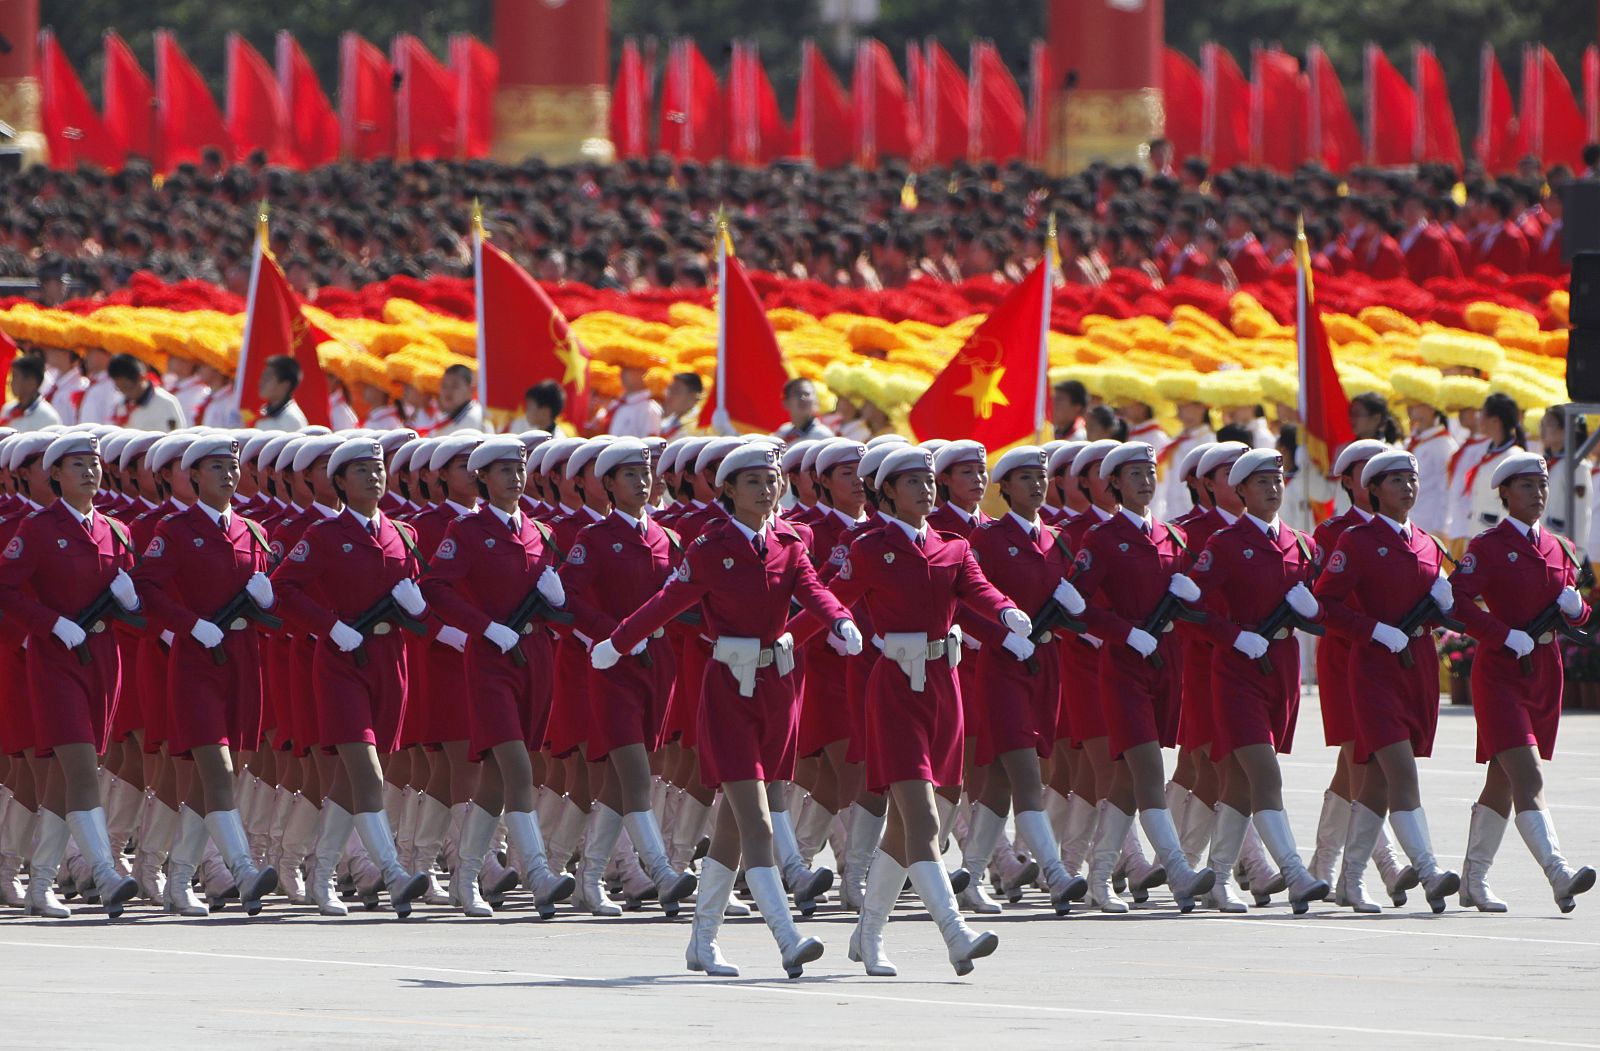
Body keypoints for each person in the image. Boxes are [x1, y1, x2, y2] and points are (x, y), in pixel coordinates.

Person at [595, 441, 861, 977]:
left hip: (776, 688)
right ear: (729, 491)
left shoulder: (790, 541)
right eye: (754, 482)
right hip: (727, 691)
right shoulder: (710, 546)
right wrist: (618, 642)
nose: (767, 490)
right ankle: (787, 938)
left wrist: (838, 620)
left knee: (736, 828)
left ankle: (702, 941)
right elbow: (668, 603)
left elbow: (813, 590)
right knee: (756, 819)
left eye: (772, 480)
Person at [819, 444, 1028, 976]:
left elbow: (977, 590)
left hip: (945, 685)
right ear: (887, 490)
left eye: (928, 482)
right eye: (912, 482)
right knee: (923, 816)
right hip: (893, 687)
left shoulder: (952, 547)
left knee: (913, 823)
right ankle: (954, 934)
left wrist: (1006, 611)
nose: (925, 490)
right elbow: (830, 599)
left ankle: (867, 933)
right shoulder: (869, 546)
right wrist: (788, 639)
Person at [270, 436, 432, 917]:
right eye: (360, 470)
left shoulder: (404, 535)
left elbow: (421, 594)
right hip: (342, 663)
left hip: (390, 660)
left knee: (349, 779)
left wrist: (416, 606)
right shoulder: (323, 535)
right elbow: (283, 589)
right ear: (338, 481)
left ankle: (320, 876)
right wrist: (330, 626)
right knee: (366, 771)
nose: (373, 476)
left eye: (378, 468)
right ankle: (394, 872)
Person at [420, 436, 576, 917]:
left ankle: (465, 879)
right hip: (491, 656)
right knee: (517, 769)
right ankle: (539, 873)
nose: (514, 476)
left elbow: (560, 608)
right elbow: (436, 589)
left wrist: (559, 600)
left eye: (519, 467)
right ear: (481, 478)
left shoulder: (540, 533)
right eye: (503, 469)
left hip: (534, 655)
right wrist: (483, 628)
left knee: (495, 777)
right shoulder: (466, 530)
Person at [130, 434, 278, 916]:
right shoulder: (176, 529)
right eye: (216, 467)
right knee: (218, 768)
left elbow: (271, 605)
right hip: (196, 660)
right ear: (193, 475)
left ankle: (177, 880)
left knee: (216, 778)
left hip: (242, 658)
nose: (228, 475)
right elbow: (147, 586)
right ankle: (244, 870)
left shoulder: (253, 533)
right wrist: (189, 624)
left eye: (232, 466)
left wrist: (265, 599)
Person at [1069, 442, 1216, 913]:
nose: (1145, 482)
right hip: (1124, 668)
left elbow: (1195, 601)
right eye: (1134, 474)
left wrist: (1191, 596)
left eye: (1150, 473)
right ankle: (1178, 872)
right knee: (1150, 774)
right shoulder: (1103, 538)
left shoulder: (1172, 536)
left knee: (1128, 786)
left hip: (1165, 665)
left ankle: (1098, 877)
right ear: (1113, 483)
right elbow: (1076, 604)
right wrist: (1124, 633)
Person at [0, 432, 143, 917]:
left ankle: (40, 882)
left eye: (93, 464)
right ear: (54, 474)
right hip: (55, 660)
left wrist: (131, 601)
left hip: (103, 661)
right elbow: (6, 588)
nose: (88, 472)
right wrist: (50, 623)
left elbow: (138, 604)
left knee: (70, 778)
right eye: (76, 464)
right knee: (81, 769)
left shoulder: (117, 531)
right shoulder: (38, 529)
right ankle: (105, 871)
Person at [1313, 449, 1461, 913]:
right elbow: (1326, 605)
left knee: (1374, 783)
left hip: (1415, 665)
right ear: (1373, 489)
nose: (1408, 487)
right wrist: (1373, 629)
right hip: (1373, 666)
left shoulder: (1426, 543)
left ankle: (1350, 882)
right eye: (1395, 480)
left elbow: (1443, 611)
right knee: (1400, 771)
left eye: (1412, 479)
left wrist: (1446, 604)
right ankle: (1430, 870)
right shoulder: (1357, 540)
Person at [1449, 452, 1596, 913]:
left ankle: (1473, 880)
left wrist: (1578, 610)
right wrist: (1500, 633)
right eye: (1526, 486)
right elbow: (1456, 602)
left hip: (1544, 672)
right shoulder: (1488, 547)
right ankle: (1559, 873)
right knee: (1528, 775)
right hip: (1500, 673)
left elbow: (1581, 613)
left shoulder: (1561, 547)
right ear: (1505, 493)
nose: (1537, 493)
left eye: (1542, 484)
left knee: (1504, 781)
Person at [560, 438, 700, 917]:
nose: (643, 483)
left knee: (622, 787)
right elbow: (568, 600)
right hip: (614, 669)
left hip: (658, 667)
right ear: (608, 486)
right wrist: (615, 635)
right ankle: (661, 873)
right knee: (636, 778)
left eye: (645, 474)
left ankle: (589, 878)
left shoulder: (666, 538)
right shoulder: (593, 540)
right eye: (630, 476)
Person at [1192, 448, 1329, 913]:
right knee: (1265, 775)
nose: (1273, 488)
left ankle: (1218, 877)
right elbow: (1195, 608)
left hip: (1283, 669)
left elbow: (1326, 607)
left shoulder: (1301, 543)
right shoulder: (1226, 545)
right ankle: (1294, 873)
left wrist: (1316, 611)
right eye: (1262, 482)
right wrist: (1233, 637)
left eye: (1278, 480)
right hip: (1237, 672)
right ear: (1241, 491)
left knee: (1240, 785)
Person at [961, 446, 1089, 916]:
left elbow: (1077, 608)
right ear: (1004, 488)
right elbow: (964, 602)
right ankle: (1055, 873)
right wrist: (999, 638)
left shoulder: (1057, 540)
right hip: (1003, 670)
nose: (1037, 485)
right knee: (1026, 776)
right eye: (1025, 478)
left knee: (997, 783)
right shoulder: (989, 541)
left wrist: (1076, 611)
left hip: (1045, 667)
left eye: (1042, 477)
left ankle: (970, 876)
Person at [107, 353, 186, 432]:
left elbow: (176, 438)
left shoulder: (165, 402)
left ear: (141, 378)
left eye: (128, 387)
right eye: (120, 388)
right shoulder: (122, 403)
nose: (125, 392)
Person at [2, 356, 64, 430]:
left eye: (15, 376)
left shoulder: (48, 418)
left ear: (31, 382)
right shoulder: (8, 410)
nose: (10, 381)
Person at [254, 355, 311, 432]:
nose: (261, 382)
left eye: (267, 377)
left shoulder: (292, 419)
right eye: (262, 377)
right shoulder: (264, 410)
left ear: (285, 385)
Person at [431, 363, 488, 436]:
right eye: (444, 386)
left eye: (455, 386)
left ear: (470, 389)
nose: (448, 391)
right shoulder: (442, 417)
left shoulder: (479, 417)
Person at [607, 367, 664, 437]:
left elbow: (651, 444)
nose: (622, 372)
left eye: (629, 369)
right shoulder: (618, 404)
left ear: (643, 373)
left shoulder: (649, 409)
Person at [659, 373, 703, 440]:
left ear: (693, 396)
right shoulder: (667, 422)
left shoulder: (701, 424)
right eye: (670, 390)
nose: (669, 395)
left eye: (676, 390)